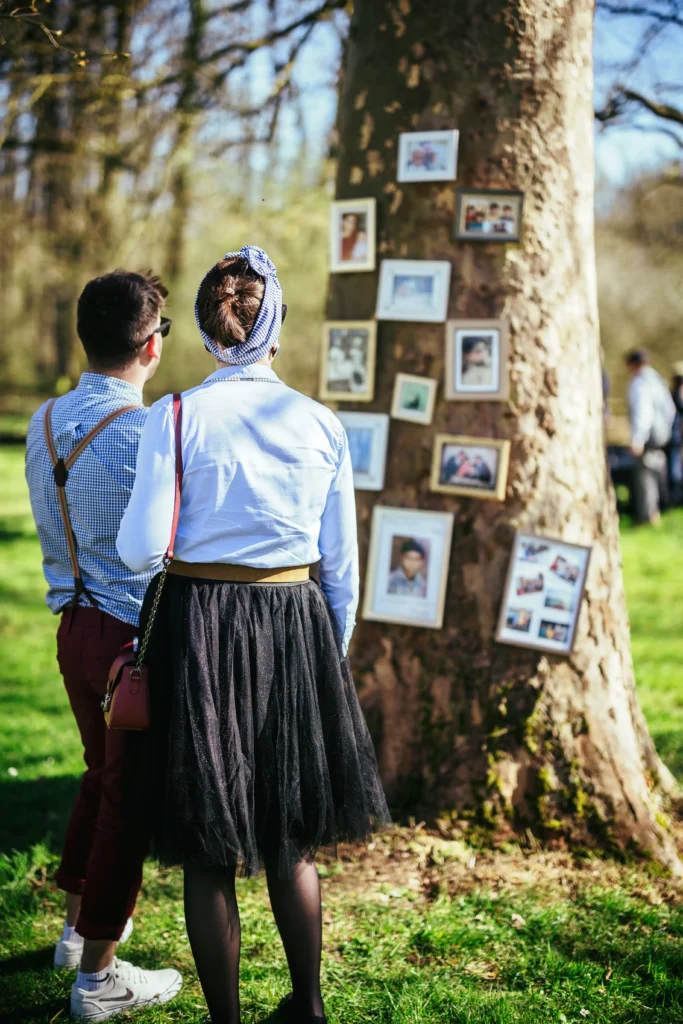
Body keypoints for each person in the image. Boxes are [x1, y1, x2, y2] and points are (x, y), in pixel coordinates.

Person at [116, 245, 390, 1024]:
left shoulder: (173, 416)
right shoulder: (320, 424)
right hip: (296, 624)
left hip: (200, 626)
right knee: (289, 835)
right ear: (275, 332)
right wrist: (321, 660)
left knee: (208, 846)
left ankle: (227, 1022)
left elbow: (139, 550)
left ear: (206, 335)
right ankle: (306, 1006)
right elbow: (340, 565)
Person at [24, 271, 183, 1019]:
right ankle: (99, 978)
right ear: (151, 346)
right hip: (130, 645)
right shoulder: (153, 431)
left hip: (72, 630)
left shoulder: (42, 421)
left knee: (99, 777)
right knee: (129, 804)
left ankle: (72, 933)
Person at [625, 349, 676, 525]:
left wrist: (638, 438)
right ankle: (657, 512)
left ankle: (647, 517)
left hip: (648, 439)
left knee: (645, 479)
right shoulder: (657, 380)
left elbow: (643, 412)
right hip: (661, 438)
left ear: (632, 365)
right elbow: (670, 410)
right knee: (658, 476)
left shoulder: (639, 384)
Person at [668, 362, 683, 505]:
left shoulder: (680, 393)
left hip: (678, 436)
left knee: (676, 468)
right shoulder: (675, 392)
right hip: (675, 435)